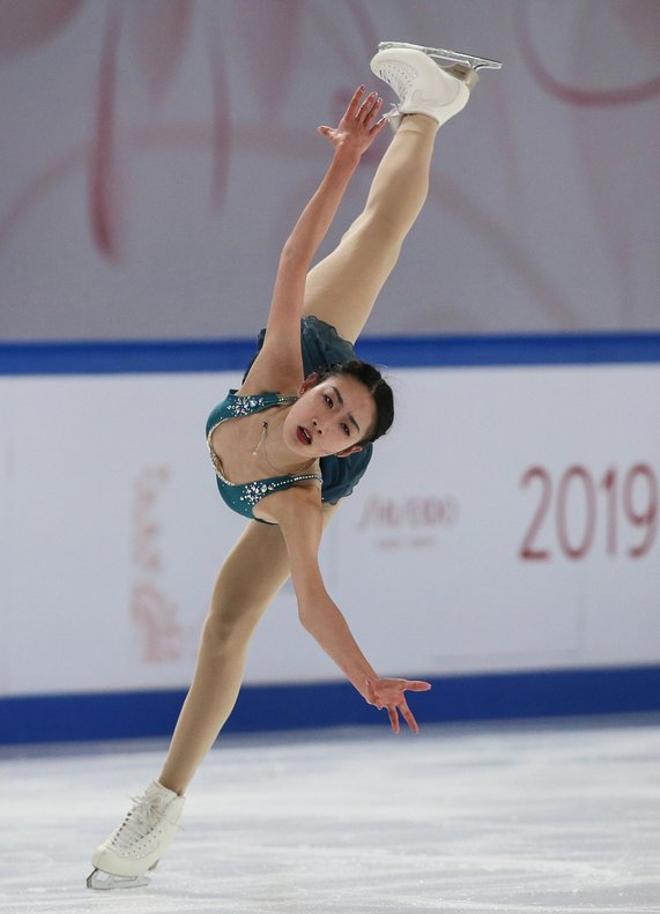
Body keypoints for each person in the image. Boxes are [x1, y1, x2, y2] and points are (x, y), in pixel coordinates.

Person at [87, 43, 485, 890]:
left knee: (227, 628)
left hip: (278, 490)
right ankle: (432, 106)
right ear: (310, 388)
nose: (327, 422)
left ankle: (160, 808)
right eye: (331, 405)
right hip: (306, 356)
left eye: (344, 428)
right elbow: (292, 264)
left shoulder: (303, 498)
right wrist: (344, 157)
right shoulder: (285, 372)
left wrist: (366, 677)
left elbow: (312, 600)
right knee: (373, 230)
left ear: (345, 452)